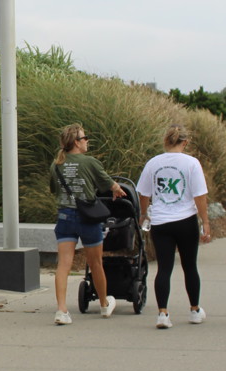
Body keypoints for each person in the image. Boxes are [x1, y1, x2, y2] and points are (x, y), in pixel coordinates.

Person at [49, 123, 126, 324]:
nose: (87, 141)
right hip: (87, 218)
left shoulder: (56, 164)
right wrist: (117, 190)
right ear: (76, 142)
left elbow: (54, 189)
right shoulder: (89, 162)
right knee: (96, 263)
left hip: (65, 216)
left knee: (63, 265)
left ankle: (61, 310)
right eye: (84, 138)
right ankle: (104, 304)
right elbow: (108, 184)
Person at [136, 125, 211, 329]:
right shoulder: (192, 163)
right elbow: (199, 195)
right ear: (185, 142)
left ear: (166, 141)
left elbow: (143, 193)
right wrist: (205, 221)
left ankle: (163, 313)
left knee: (164, 268)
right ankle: (194, 309)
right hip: (186, 219)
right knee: (190, 266)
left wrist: (144, 213)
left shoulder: (153, 163)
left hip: (161, 221)